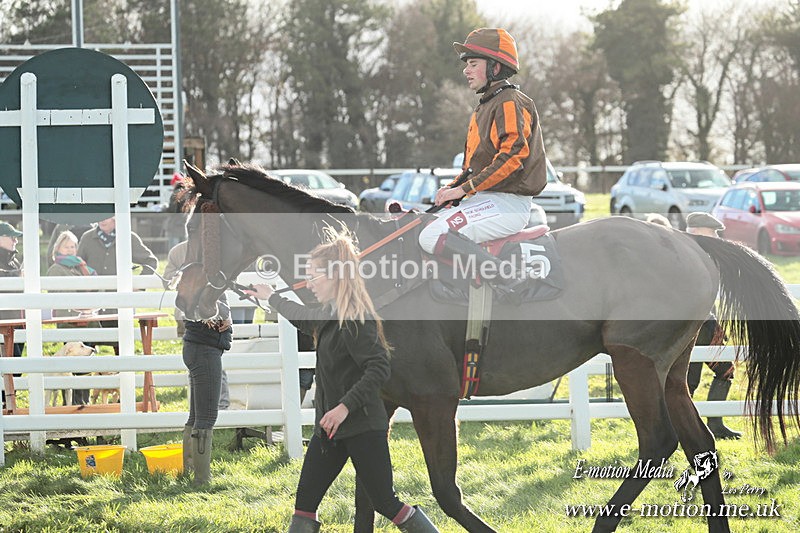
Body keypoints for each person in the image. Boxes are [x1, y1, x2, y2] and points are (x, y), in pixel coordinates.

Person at [244, 230, 438, 533]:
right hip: (330, 430)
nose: (309, 283)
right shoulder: (329, 314)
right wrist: (271, 297)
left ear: (335, 276)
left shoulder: (356, 318)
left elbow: (378, 368)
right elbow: (303, 318)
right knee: (303, 508)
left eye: (313, 276)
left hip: (362, 427)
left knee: (387, 503)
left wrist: (343, 408)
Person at [418, 28, 547, 272]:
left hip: (506, 206)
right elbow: (473, 170)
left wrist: (463, 189)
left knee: (430, 235)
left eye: (473, 63)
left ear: (495, 68)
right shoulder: (486, 105)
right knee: (422, 226)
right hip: (485, 201)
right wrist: (453, 189)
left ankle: (504, 280)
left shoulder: (510, 101)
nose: (466, 70)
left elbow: (512, 158)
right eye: (466, 64)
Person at [163, 240, 232, 481]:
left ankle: (191, 471)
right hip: (205, 346)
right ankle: (202, 478)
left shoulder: (196, 269)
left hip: (199, 345)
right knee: (206, 417)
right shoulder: (199, 272)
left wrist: (225, 316)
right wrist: (223, 316)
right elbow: (204, 305)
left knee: (196, 415)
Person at [685, 212, 741, 439]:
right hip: (696, 325)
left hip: (703, 323)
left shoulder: (690, 252)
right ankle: (699, 426)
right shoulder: (694, 254)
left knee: (720, 371)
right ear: (698, 231)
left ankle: (713, 424)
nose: (716, 236)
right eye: (712, 232)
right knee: (689, 380)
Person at [76, 216, 158, 353]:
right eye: (100, 215)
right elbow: (77, 265)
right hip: (92, 303)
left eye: (106, 216)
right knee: (87, 345)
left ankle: (123, 373)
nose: (102, 219)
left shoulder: (128, 237)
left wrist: (139, 285)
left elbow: (151, 262)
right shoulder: (87, 238)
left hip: (120, 303)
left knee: (122, 346)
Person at [46, 230, 99, 405]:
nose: (70, 249)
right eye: (66, 246)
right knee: (73, 368)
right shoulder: (56, 269)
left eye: (73, 246)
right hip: (70, 323)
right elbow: (58, 296)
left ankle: (84, 405)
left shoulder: (80, 267)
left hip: (88, 321)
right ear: (58, 248)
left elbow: (96, 288)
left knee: (86, 367)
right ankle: (73, 407)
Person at [0, 221, 24, 410]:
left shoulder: (14, 260)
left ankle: (8, 407)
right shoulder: (13, 263)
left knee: (15, 367)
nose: (16, 240)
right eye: (11, 236)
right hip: (3, 321)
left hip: (15, 320)